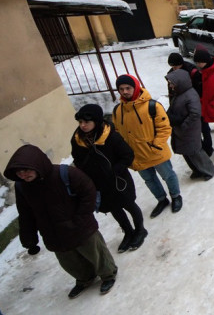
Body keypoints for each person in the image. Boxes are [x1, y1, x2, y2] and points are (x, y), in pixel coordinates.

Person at [6, 145, 118, 298]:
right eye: (19, 173)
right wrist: (29, 240)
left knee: (96, 253)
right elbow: (26, 214)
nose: (23, 175)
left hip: (80, 227)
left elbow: (88, 191)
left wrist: (81, 218)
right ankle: (85, 278)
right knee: (70, 262)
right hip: (53, 233)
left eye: (26, 170)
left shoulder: (64, 173)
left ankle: (108, 274)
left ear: (37, 165)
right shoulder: (22, 187)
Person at [71, 104, 146, 254]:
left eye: (86, 122)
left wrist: (114, 170)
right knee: (114, 209)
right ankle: (128, 232)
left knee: (129, 204)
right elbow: (77, 159)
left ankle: (140, 230)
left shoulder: (111, 136)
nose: (83, 125)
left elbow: (128, 155)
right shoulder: (77, 140)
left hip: (118, 181)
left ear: (97, 121)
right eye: (80, 122)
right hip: (99, 184)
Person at [113, 74, 182, 217]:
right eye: (121, 89)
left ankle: (176, 196)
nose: (125, 91)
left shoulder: (153, 106)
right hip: (136, 155)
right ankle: (161, 199)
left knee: (168, 176)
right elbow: (118, 132)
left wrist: (155, 145)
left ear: (136, 87)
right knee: (149, 180)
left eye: (128, 88)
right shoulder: (118, 111)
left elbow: (164, 128)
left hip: (155, 152)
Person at [165, 69, 214, 180]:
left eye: (171, 82)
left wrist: (184, 125)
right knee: (186, 151)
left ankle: (208, 170)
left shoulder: (190, 95)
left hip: (189, 129)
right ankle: (197, 170)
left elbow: (195, 113)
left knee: (195, 151)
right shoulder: (178, 93)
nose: (170, 85)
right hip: (181, 129)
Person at [168, 53, 212, 156]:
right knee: (191, 130)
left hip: (196, 103)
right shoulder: (172, 74)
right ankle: (199, 148)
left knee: (203, 127)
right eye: (172, 66)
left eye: (176, 66)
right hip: (182, 106)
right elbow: (171, 91)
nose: (174, 68)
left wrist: (199, 101)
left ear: (181, 63)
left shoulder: (192, 71)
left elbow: (201, 88)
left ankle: (208, 147)